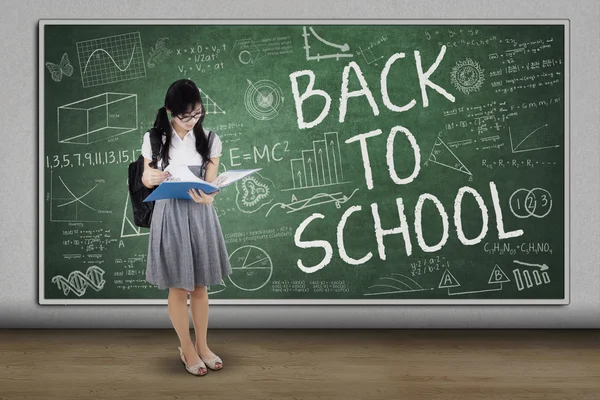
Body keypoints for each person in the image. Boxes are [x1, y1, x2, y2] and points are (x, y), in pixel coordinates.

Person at [140, 79, 232, 376]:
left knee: (201, 285)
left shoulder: (210, 138)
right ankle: (187, 348)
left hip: (200, 213)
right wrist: (151, 178)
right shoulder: (155, 139)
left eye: (197, 114)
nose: (192, 121)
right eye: (185, 116)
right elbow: (145, 176)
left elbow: (212, 180)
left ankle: (203, 345)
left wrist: (210, 194)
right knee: (179, 287)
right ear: (170, 111)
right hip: (169, 214)